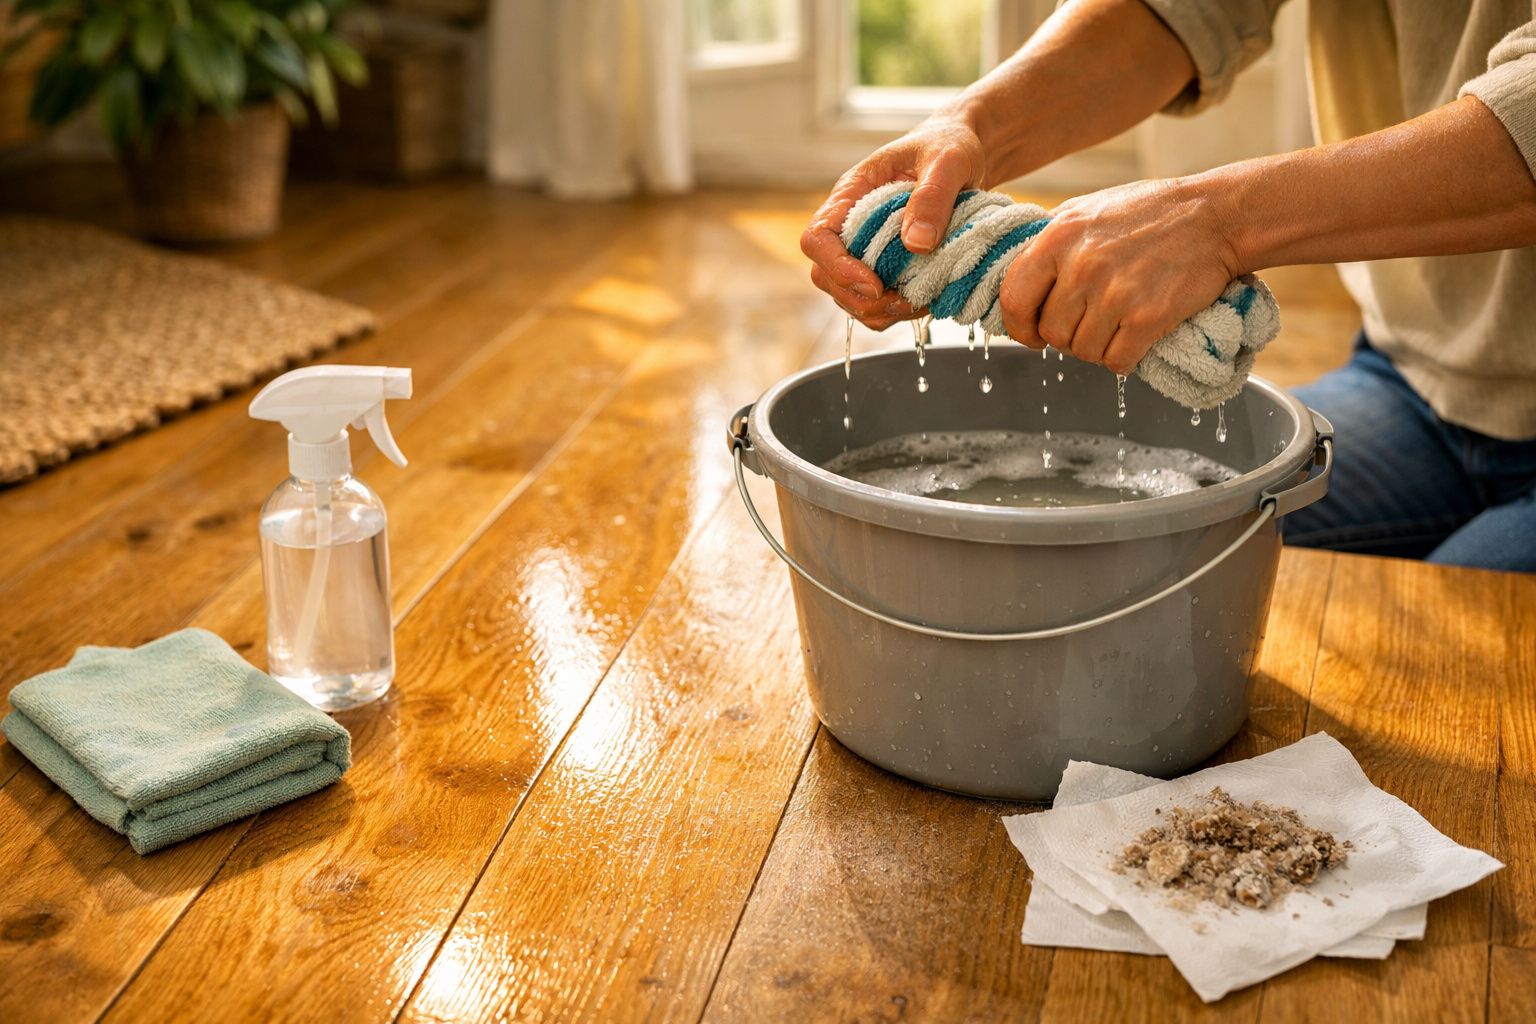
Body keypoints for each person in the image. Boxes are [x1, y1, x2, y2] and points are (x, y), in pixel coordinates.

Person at [803, 0, 1536, 572]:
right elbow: (1184, 10)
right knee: (1112, 566)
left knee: (1442, 651)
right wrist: (974, 127)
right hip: (1416, 382)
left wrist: (1215, 222)